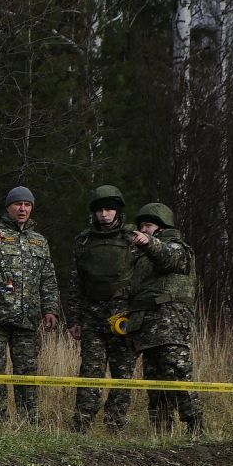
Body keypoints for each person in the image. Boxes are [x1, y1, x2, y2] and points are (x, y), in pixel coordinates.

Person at [0, 186, 60, 422]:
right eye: (18, 204)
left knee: (27, 372)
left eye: (27, 205)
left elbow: (47, 277)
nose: (22, 209)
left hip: (27, 319)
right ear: (8, 207)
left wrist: (50, 309)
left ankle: (29, 420)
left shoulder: (38, 241)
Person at [126, 202, 205, 435]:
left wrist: (149, 243)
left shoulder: (178, 248)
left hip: (171, 324)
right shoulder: (140, 257)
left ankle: (195, 426)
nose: (143, 229)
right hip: (147, 328)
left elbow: (168, 257)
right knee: (154, 381)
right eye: (141, 226)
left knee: (178, 373)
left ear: (161, 227)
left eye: (148, 225)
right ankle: (161, 432)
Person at [66, 185, 139, 431]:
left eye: (109, 209)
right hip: (92, 318)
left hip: (123, 317)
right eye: (100, 210)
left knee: (123, 375)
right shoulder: (83, 240)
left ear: (117, 211)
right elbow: (75, 283)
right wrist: (74, 320)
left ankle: (115, 425)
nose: (104, 214)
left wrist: (140, 316)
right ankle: (81, 425)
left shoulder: (133, 239)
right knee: (90, 373)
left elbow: (143, 280)